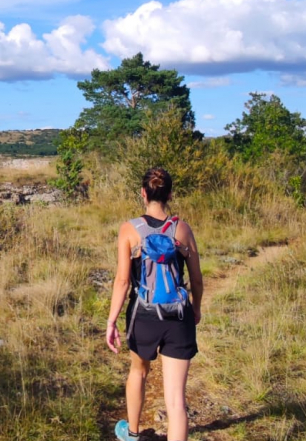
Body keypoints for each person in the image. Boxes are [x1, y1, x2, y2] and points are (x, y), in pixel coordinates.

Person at [106, 167, 204, 441]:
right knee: (176, 401)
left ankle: (133, 433)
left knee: (138, 372)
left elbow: (123, 282)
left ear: (143, 194)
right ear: (170, 194)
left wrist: (112, 320)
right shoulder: (181, 229)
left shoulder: (130, 229)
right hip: (178, 318)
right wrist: (195, 308)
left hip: (144, 316)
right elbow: (195, 278)